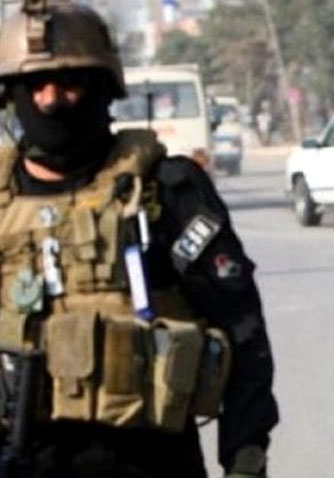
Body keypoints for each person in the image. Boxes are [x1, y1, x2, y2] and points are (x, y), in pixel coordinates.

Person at [0, 2, 278, 477]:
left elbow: (243, 330)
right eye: (34, 85)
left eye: (69, 83)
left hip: (150, 462)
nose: (50, 100)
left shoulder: (164, 189)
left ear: (104, 88)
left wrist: (245, 459)